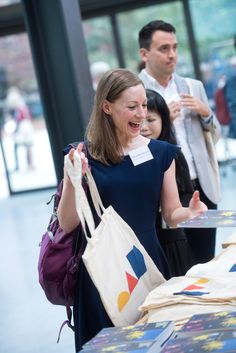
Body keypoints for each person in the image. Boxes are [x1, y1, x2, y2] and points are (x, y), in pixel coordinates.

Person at [57, 68, 207, 351]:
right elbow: (67, 224)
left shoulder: (162, 153)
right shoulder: (82, 155)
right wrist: (71, 177)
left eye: (144, 106)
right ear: (107, 107)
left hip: (147, 266)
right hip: (103, 273)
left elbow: (171, 213)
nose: (141, 114)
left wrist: (189, 213)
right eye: (131, 107)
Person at [138, 20, 221, 264]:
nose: (172, 54)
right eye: (164, 48)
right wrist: (162, 124)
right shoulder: (135, 91)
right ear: (144, 53)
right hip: (163, 191)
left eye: (175, 47)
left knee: (207, 260)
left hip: (201, 185)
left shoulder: (193, 87)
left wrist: (206, 113)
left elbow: (213, 138)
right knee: (176, 263)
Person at [141, 89, 196, 276]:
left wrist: (180, 207)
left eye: (150, 119)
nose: (144, 127)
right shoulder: (129, 157)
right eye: (139, 121)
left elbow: (187, 192)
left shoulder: (172, 153)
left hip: (172, 238)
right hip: (143, 241)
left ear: (164, 120)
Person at [5, 87, 34, 171]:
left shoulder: (20, 107)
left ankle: (29, 165)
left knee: (26, 146)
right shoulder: (20, 107)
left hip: (23, 127)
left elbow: (20, 118)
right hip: (24, 127)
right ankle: (26, 165)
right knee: (24, 146)